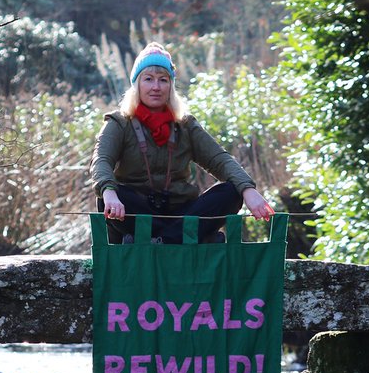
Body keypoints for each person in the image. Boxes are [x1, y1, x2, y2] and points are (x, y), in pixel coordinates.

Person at [91, 42, 275, 243]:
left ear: (171, 86)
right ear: (137, 84)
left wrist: (248, 190)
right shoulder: (119, 123)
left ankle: (159, 241)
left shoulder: (185, 125)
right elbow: (101, 160)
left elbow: (220, 159)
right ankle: (183, 239)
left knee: (231, 192)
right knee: (107, 197)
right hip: (140, 212)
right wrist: (109, 192)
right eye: (148, 79)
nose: (156, 87)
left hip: (182, 212)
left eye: (163, 80)